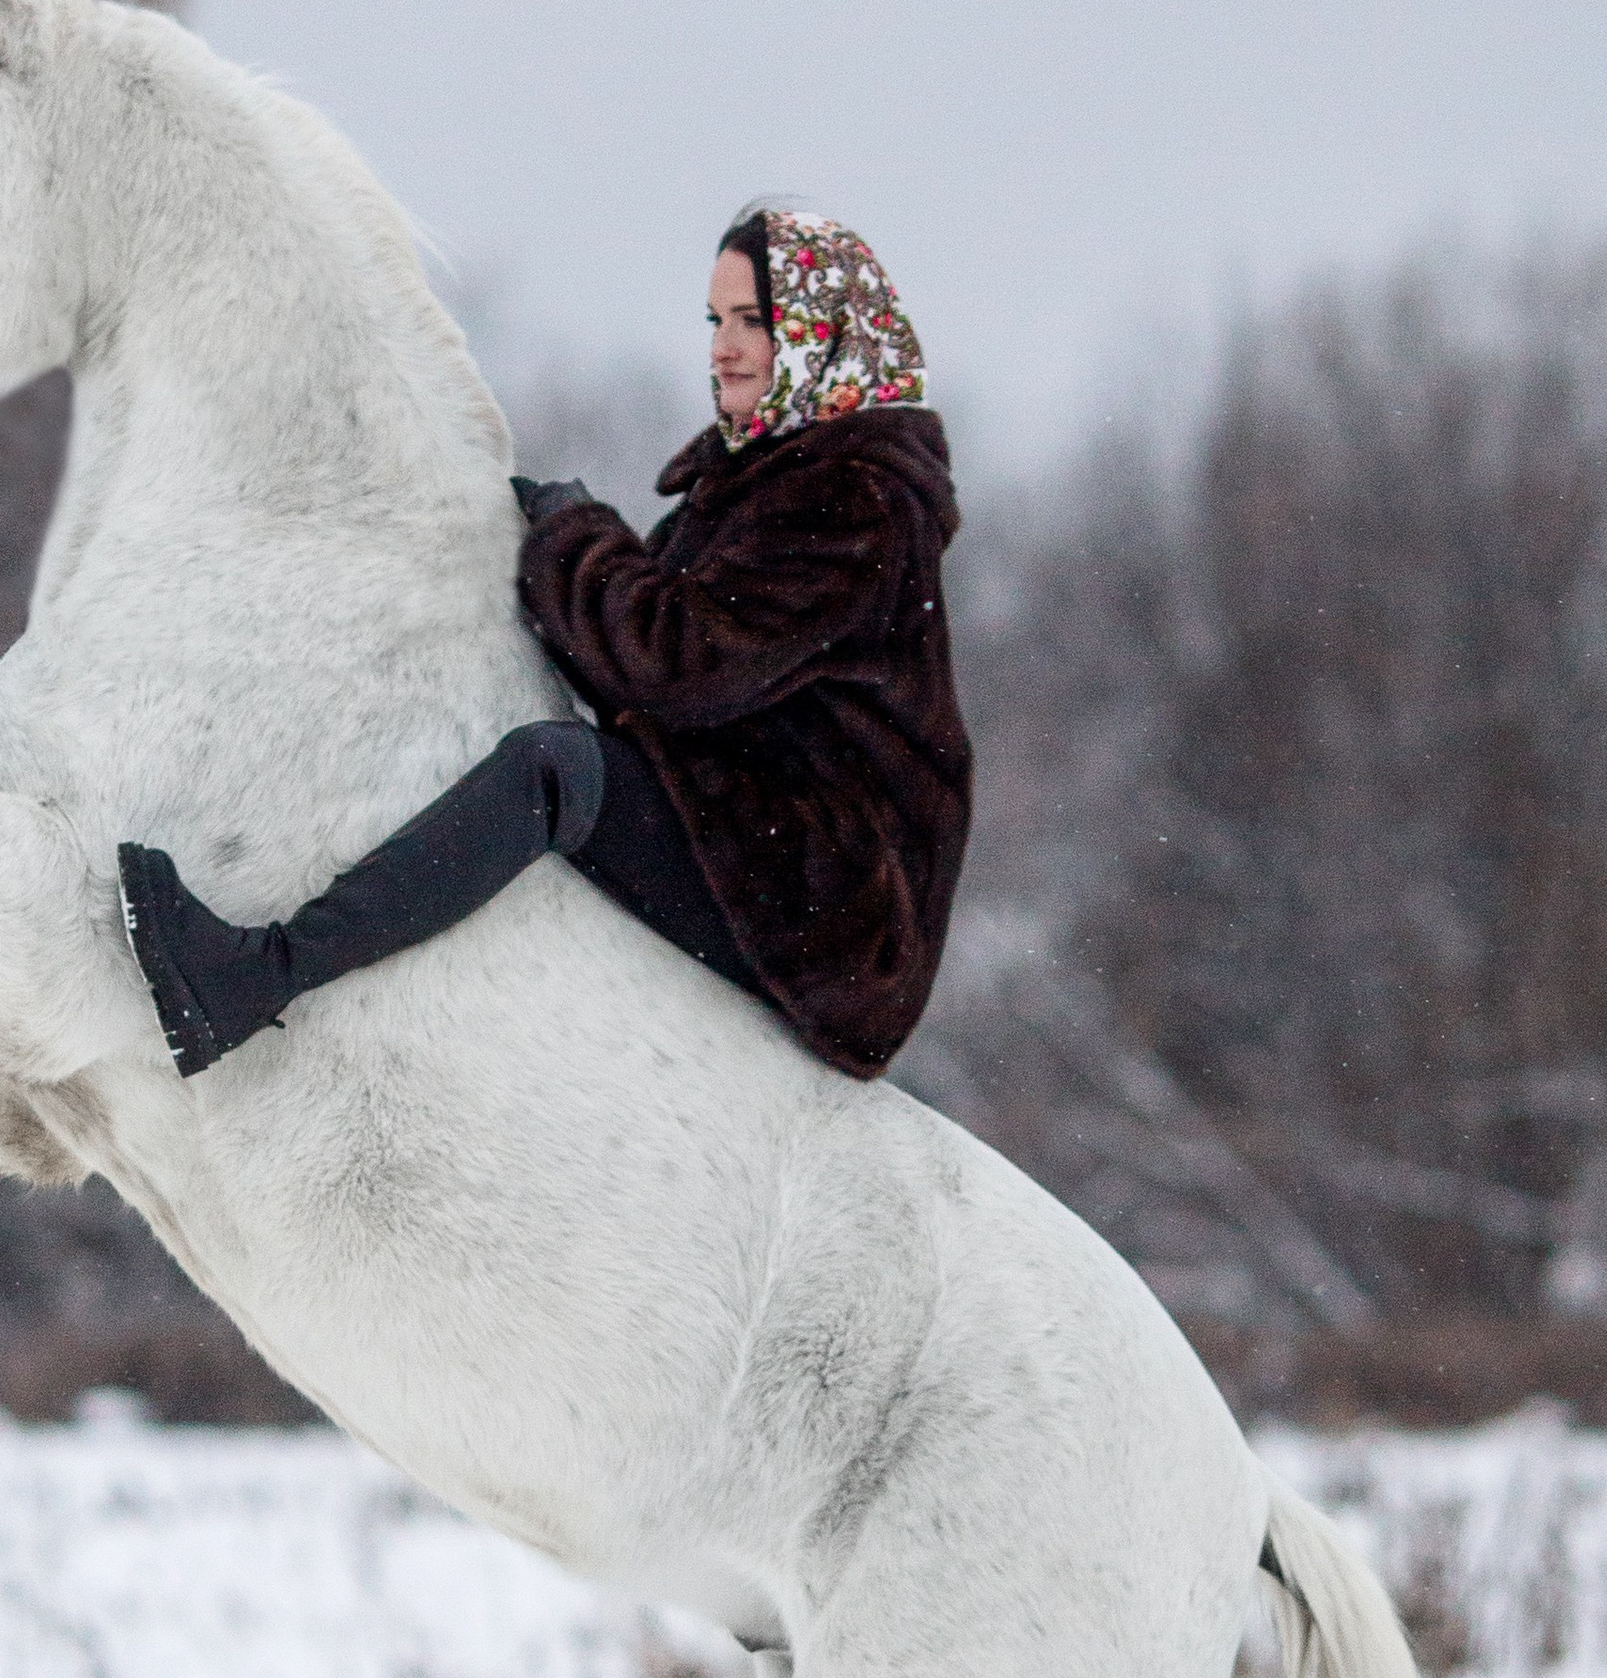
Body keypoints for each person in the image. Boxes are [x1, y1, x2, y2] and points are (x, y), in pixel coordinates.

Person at [116, 205, 973, 1080]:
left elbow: (673, 665)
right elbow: (647, 665)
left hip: (833, 912)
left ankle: (257, 979)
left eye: (755, 322)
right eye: (716, 321)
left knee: (555, 774)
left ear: (823, 336)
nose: (723, 346)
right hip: (758, 830)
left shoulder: (855, 501)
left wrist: (576, 536)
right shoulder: (769, 480)